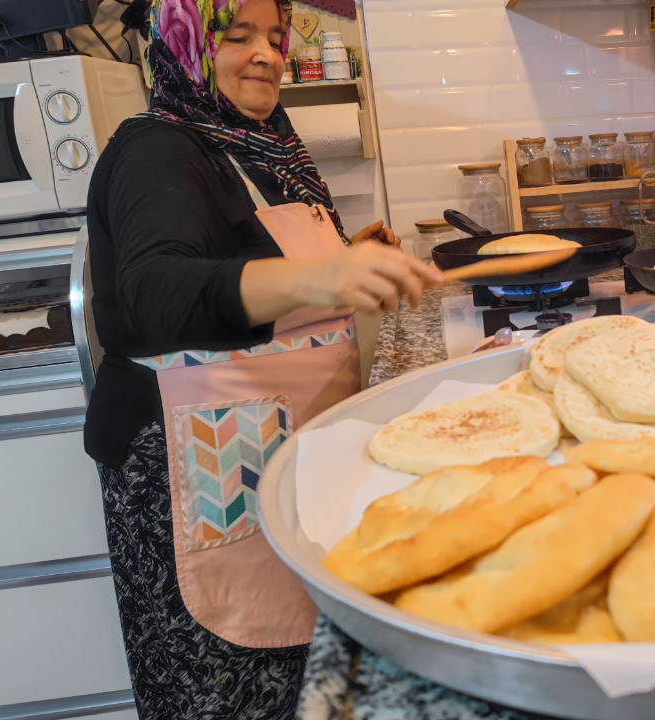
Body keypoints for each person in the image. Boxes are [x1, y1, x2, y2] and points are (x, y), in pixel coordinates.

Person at [83, 0, 441, 717]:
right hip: (194, 472)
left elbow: (253, 264)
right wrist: (319, 276)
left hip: (268, 451)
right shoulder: (159, 147)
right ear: (179, 41)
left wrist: (350, 262)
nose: (268, 55)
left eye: (275, 37)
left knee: (302, 678)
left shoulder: (258, 147)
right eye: (236, 36)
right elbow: (157, 291)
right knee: (233, 691)